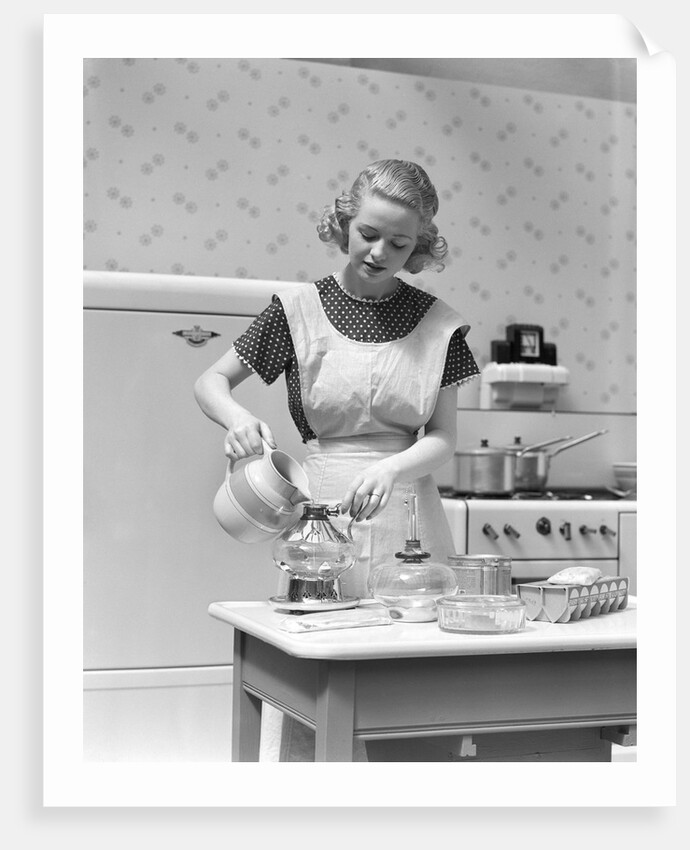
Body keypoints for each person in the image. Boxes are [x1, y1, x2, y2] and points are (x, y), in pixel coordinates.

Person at [194, 159, 480, 760]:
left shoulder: (440, 326)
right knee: (318, 675)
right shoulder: (297, 310)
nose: (379, 251)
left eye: (400, 243)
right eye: (368, 234)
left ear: (420, 244)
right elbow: (211, 382)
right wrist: (238, 418)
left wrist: (393, 468)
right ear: (344, 222)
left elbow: (444, 438)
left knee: (414, 674)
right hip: (322, 518)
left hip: (411, 511)